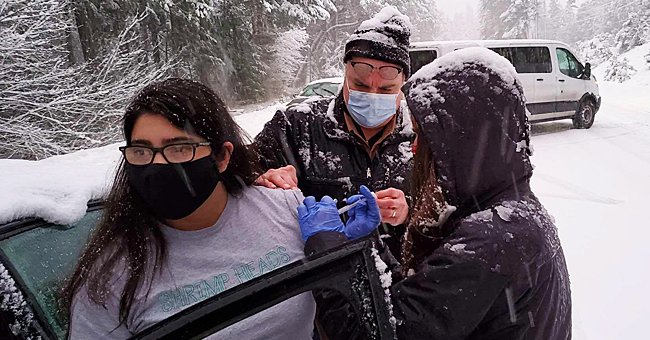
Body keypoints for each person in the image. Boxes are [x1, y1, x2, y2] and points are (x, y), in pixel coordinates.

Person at [61, 78, 379, 339]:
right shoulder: (110, 277)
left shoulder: (283, 207)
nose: (157, 166)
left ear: (221, 157)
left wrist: (340, 257)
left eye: (179, 149)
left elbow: (347, 313)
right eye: (142, 152)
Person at [298, 48, 572, 339]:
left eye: (422, 137)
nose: (414, 149)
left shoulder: (491, 241)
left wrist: (329, 254)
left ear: (460, 140)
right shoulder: (511, 212)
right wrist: (369, 245)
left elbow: (382, 334)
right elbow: (412, 303)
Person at [254, 6, 414, 255]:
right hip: (318, 282)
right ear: (345, 74)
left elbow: (447, 212)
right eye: (360, 85)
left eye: (385, 90)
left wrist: (409, 211)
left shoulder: (421, 137)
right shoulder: (297, 126)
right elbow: (234, 177)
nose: (372, 95)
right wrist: (261, 179)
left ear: (402, 83)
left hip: (398, 284)